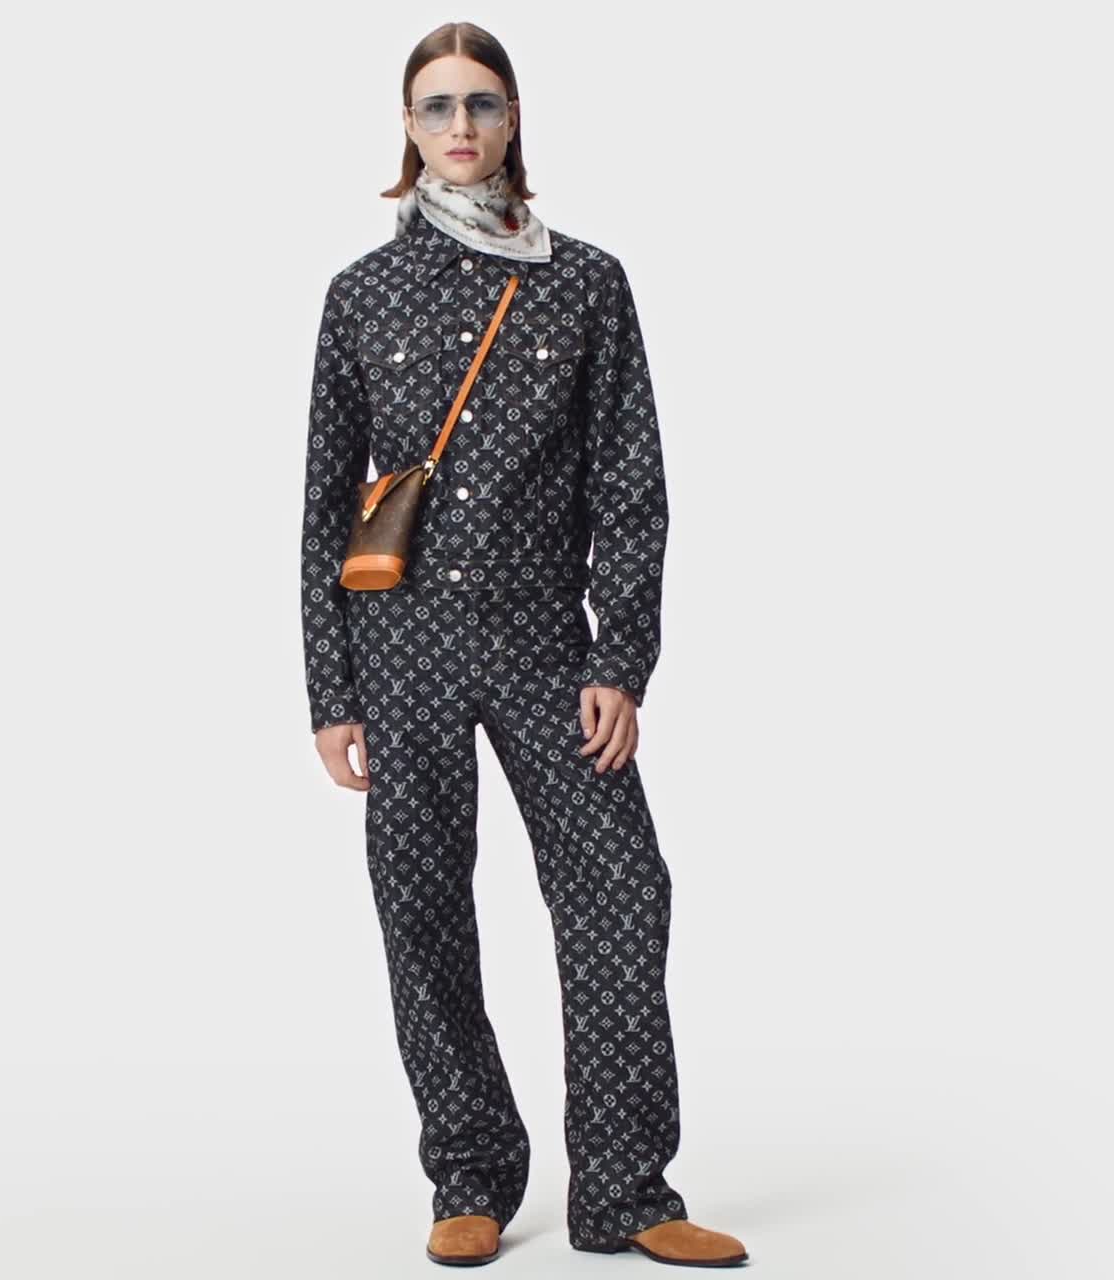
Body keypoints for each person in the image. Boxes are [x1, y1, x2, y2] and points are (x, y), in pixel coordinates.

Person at [299, 21, 749, 1270]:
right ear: (406, 126)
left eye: (482, 102)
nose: (460, 125)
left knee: (619, 887)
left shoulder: (584, 281)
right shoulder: (358, 295)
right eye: (436, 104)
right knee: (421, 903)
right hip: (399, 647)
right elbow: (325, 502)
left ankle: (624, 1189)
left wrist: (621, 659)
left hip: (549, 640)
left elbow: (630, 484)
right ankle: (469, 1175)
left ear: (512, 119)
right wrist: (331, 689)